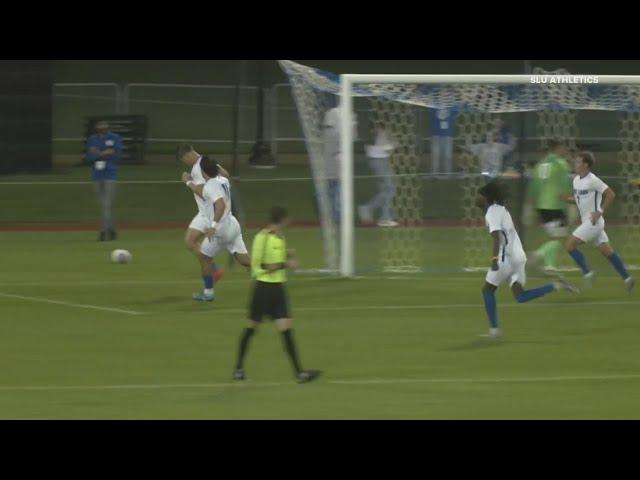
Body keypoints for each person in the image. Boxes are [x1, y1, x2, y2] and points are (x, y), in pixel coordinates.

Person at [232, 206, 321, 383]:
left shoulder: (280, 237)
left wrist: (286, 254)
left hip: (278, 289)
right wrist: (287, 264)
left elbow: (275, 258)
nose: (290, 222)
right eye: (287, 219)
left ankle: (300, 373)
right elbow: (263, 265)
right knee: (251, 329)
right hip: (263, 289)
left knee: (287, 330)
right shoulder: (262, 238)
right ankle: (238, 369)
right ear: (282, 220)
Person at [478, 181, 577, 338]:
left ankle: (494, 330)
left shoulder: (492, 212)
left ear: (487, 197)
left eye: (480, 195)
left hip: (506, 258)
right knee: (520, 296)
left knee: (487, 290)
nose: (478, 198)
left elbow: (496, 237)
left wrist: (494, 259)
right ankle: (556, 285)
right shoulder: (503, 211)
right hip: (519, 257)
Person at [564, 152, 635, 292]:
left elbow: (611, 194)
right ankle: (628, 279)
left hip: (593, 221)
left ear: (585, 165)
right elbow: (579, 199)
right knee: (607, 252)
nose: (575, 164)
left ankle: (588, 273)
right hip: (588, 222)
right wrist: (567, 199)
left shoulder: (593, 180)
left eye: (578, 162)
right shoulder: (576, 180)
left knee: (570, 245)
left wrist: (600, 211)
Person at [183, 156, 251, 302]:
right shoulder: (223, 180)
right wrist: (189, 182)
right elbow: (208, 189)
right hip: (233, 224)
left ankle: (208, 293)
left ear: (203, 172)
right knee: (245, 260)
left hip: (221, 229)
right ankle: (264, 283)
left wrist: (213, 226)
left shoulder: (210, 186)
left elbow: (219, 204)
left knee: (205, 257)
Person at [177, 144, 228, 300]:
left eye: (184, 160)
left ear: (187, 156)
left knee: (196, 246)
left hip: (210, 214)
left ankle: (209, 285)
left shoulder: (197, 168)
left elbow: (204, 193)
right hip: (204, 213)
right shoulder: (207, 162)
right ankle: (214, 268)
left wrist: (188, 182)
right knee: (190, 241)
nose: (185, 163)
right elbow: (226, 174)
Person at [525, 139, 573, 273]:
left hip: (541, 206)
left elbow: (533, 187)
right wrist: (571, 202)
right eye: (563, 147)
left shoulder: (539, 165)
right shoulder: (561, 164)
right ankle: (536, 255)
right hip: (555, 205)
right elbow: (565, 185)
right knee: (559, 236)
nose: (565, 150)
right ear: (558, 148)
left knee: (554, 237)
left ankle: (550, 266)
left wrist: (529, 207)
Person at [85, 121, 123, 241]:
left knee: (107, 204)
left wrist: (99, 153)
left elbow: (117, 154)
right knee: (104, 205)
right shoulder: (92, 139)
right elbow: (90, 156)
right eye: (99, 126)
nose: (102, 128)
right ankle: (112, 230)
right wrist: (104, 153)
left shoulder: (115, 138)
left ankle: (103, 231)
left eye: (104, 126)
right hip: (97, 175)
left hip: (110, 174)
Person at [357, 123, 398, 227]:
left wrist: (392, 143)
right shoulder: (381, 133)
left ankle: (386, 215)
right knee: (390, 189)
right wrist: (394, 143)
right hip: (380, 161)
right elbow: (387, 149)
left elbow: (381, 149)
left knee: (385, 189)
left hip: (379, 161)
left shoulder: (377, 133)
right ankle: (371, 209)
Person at [430, 108, 457, 177]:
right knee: (435, 155)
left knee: (447, 156)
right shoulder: (434, 106)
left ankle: (448, 173)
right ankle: (434, 174)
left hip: (448, 135)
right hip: (436, 134)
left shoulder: (452, 107)